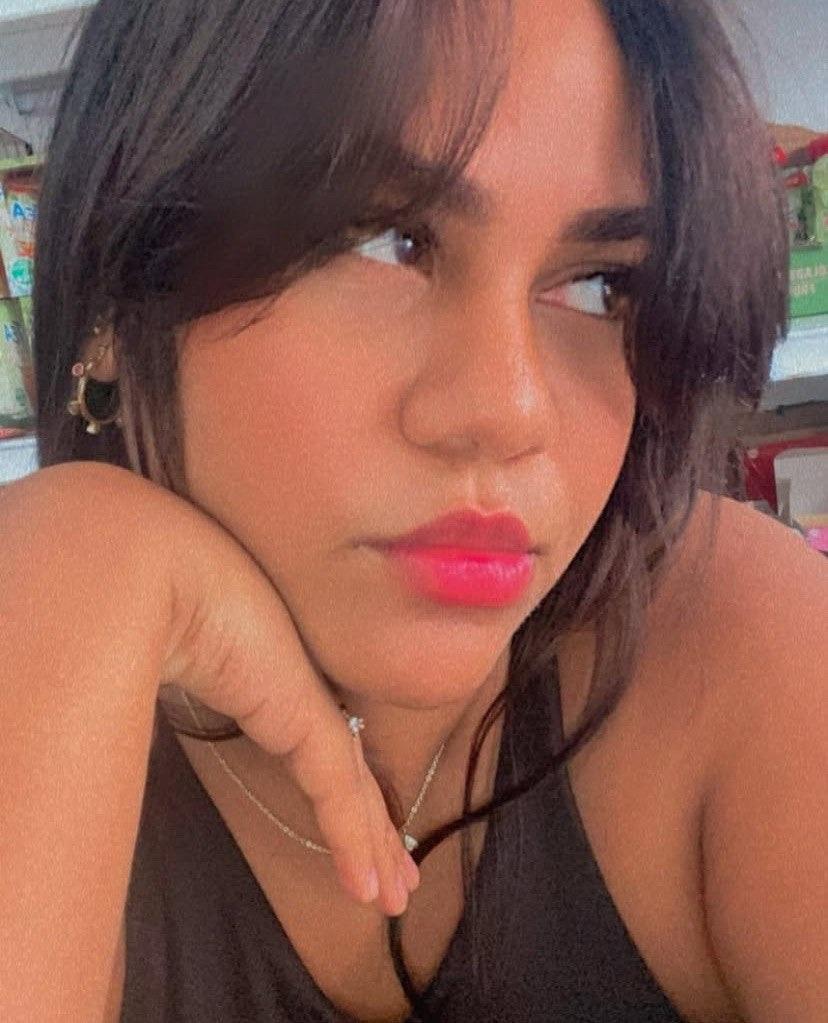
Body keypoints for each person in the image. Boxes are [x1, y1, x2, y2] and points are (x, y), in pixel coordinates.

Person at [1, 0, 825, 1020]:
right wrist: (72, 558)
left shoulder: (738, 646)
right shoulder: (48, 665)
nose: (510, 410)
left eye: (598, 286)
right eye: (388, 242)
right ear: (118, 297)